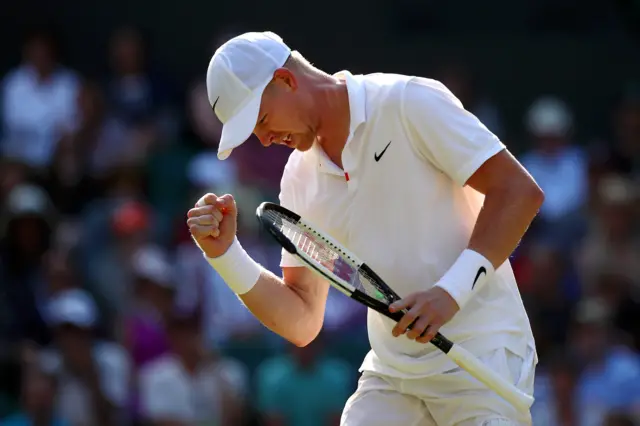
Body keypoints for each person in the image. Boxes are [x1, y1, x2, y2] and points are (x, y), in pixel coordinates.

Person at [187, 31, 544, 426]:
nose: (266, 140)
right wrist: (224, 255)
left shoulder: (408, 101)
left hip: (485, 357)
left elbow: (518, 191)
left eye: (262, 121)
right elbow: (302, 322)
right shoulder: (299, 179)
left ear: (286, 81)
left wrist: (450, 293)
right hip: (394, 377)